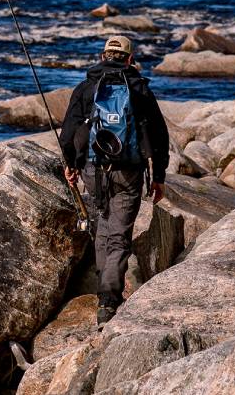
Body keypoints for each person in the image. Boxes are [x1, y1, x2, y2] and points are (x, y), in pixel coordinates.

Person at [60, 35, 169, 325]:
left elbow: (68, 135)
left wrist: (71, 166)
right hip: (129, 171)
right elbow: (159, 137)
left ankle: (103, 291)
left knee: (101, 227)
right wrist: (158, 177)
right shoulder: (140, 89)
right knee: (119, 234)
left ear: (103, 55)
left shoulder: (86, 88)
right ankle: (109, 300)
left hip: (93, 170)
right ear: (131, 60)